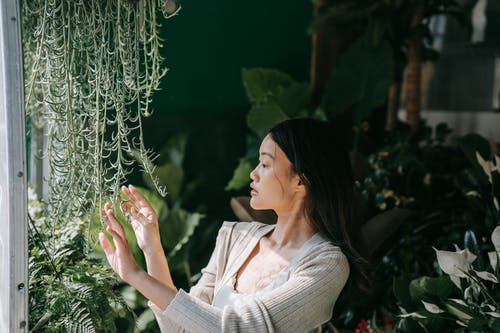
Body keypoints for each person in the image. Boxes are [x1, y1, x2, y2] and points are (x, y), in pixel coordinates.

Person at [99, 118, 368, 333]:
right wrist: (152, 248)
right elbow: (180, 328)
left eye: (265, 163)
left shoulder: (326, 264)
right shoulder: (235, 237)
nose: (253, 173)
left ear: (301, 181)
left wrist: (135, 276)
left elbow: (237, 329)